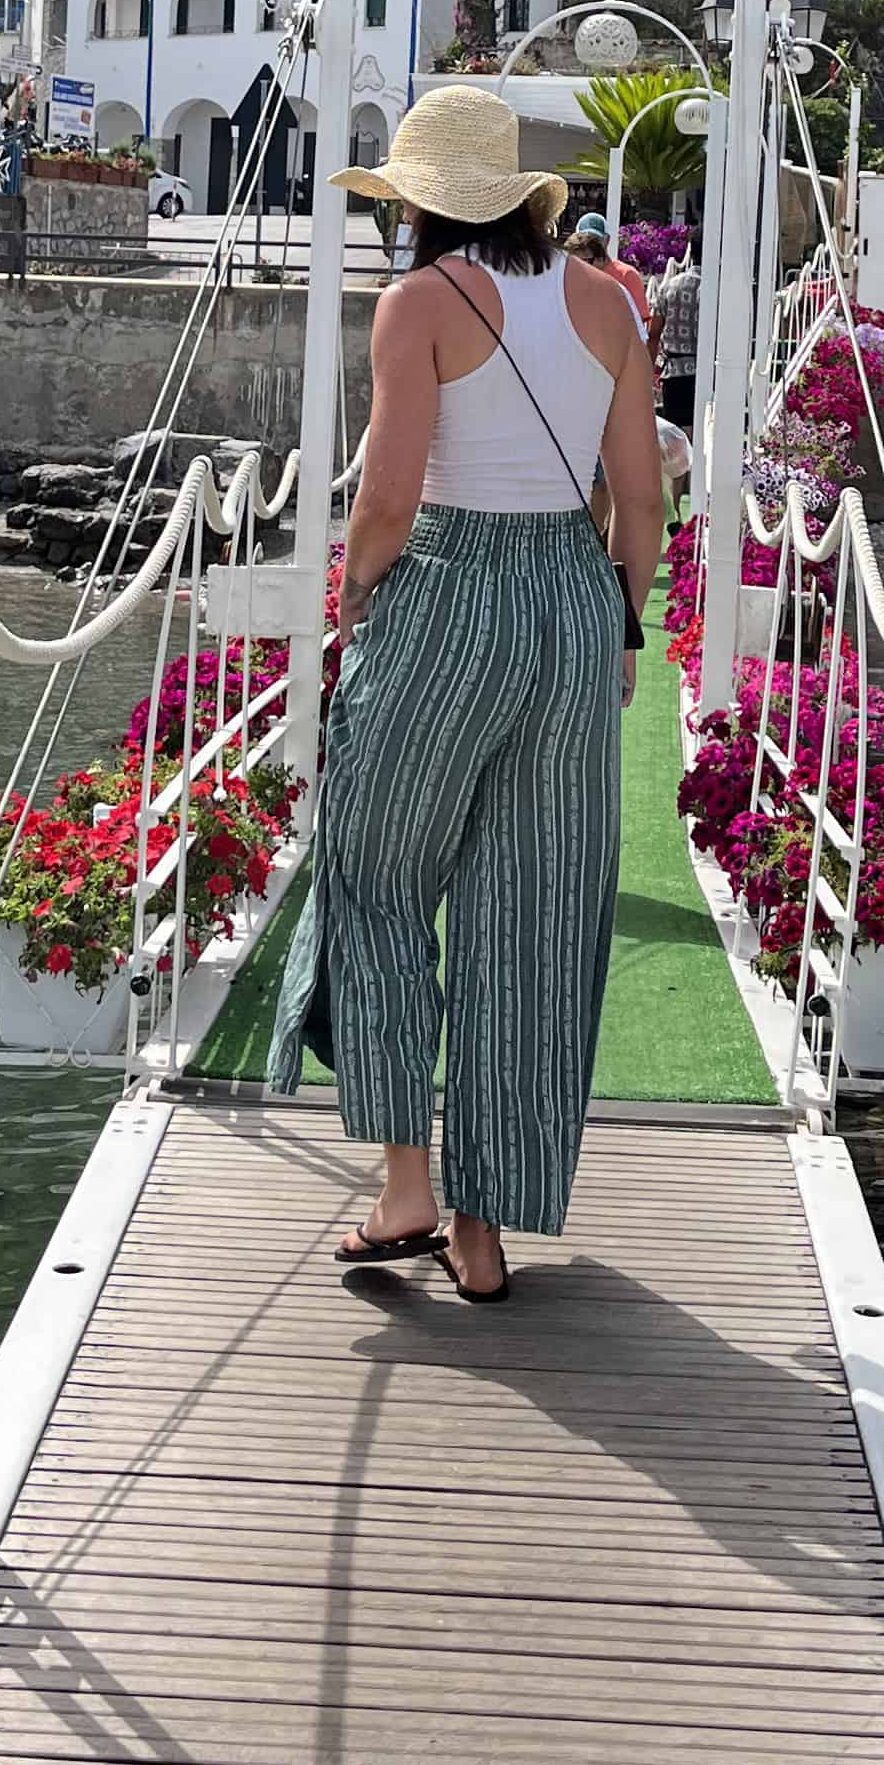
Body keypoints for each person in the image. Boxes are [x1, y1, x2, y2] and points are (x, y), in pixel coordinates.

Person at [264, 88, 665, 1302]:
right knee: (534, 918)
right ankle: (483, 1234)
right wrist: (624, 621)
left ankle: (405, 1189)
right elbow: (641, 500)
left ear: (424, 204)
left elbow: (386, 498)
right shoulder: (613, 304)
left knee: (376, 873)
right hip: (573, 599)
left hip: (445, 589)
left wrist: (351, 612)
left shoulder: (419, 305)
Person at [649, 235, 702, 436]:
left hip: (673, 372)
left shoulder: (669, 286)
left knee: (674, 439)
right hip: (700, 371)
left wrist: (649, 371)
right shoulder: (713, 289)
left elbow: (653, 333)